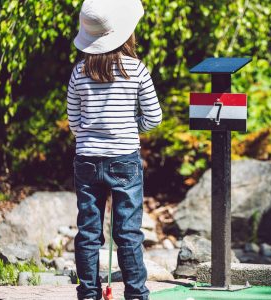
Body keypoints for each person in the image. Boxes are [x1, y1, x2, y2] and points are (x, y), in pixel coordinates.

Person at [67, 0, 161, 299]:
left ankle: (89, 294)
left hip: (87, 159)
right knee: (128, 233)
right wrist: (133, 126)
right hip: (124, 159)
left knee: (88, 233)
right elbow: (154, 117)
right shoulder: (137, 70)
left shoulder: (79, 71)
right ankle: (135, 294)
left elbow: (73, 121)